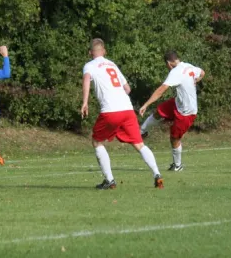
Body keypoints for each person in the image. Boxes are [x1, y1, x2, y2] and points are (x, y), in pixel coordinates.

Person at [81, 38, 163, 189]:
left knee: (97, 141)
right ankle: (157, 174)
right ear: (104, 51)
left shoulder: (89, 66)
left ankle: (110, 180)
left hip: (110, 111)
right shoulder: (112, 64)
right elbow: (127, 89)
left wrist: (85, 102)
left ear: (90, 52)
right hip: (127, 109)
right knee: (139, 144)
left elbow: (86, 80)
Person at [139, 51, 205, 172]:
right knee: (159, 112)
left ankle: (177, 165)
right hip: (178, 103)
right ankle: (142, 132)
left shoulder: (175, 72)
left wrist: (146, 104)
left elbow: (161, 90)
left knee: (174, 138)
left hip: (187, 112)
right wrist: (197, 80)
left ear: (169, 63)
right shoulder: (187, 66)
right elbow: (202, 72)